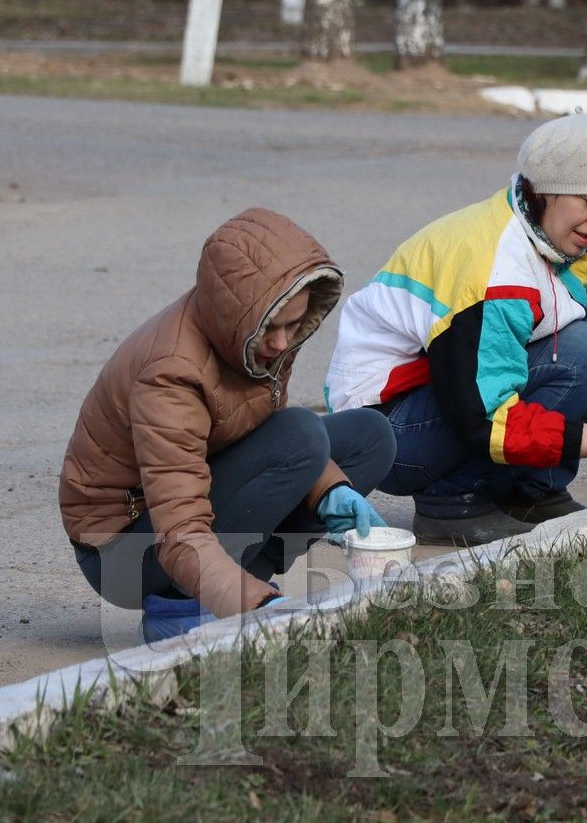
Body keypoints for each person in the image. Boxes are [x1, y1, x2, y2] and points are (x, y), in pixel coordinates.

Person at [324, 113, 587, 547]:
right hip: (389, 435)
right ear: (548, 189)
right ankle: (453, 501)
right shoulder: (494, 270)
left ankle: (530, 491)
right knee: (583, 350)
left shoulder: (553, 238)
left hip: (441, 398)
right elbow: (485, 419)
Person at [60, 208, 396, 641]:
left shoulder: (255, 337)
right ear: (234, 314)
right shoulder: (172, 371)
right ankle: (188, 601)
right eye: (271, 328)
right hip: (128, 549)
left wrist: (330, 490)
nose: (281, 342)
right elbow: (179, 527)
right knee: (303, 434)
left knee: (369, 439)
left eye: (293, 324)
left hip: (194, 499)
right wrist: (256, 607)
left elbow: (265, 433)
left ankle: (245, 573)